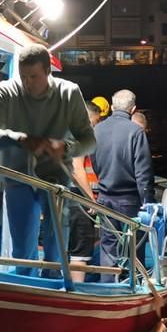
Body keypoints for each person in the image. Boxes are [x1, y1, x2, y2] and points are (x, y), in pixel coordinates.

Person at [0, 43, 95, 277]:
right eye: (23, 76)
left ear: (48, 71)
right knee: (22, 251)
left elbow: (89, 140)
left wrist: (66, 147)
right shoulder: (5, 90)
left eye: (34, 76)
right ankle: (26, 295)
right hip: (17, 178)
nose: (27, 83)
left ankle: (53, 292)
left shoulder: (69, 92)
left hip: (56, 182)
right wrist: (19, 138)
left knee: (55, 250)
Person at [92, 89, 154, 282]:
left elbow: (94, 162)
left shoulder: (97, 130)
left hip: (104, 198)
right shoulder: (136, 132)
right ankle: (133, 286)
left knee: (108, 247)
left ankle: (108, 288)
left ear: (111, 106)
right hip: (130, 201)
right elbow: (143, 173)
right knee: (134, 247)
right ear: (133, 109)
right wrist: (148, 203)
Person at [68, 101, 101, 282]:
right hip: (77, 198)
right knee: (80, 251)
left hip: (64, 195)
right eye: (94, 123)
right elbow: (77, 168)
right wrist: (90, 200)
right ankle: (77, 290)